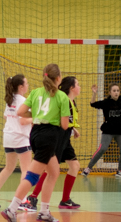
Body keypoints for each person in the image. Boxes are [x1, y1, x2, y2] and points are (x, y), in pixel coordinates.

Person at [0, 64, 72, 222]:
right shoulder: (62, 96)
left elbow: (20, 112)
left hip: (36, 134)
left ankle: (44, 211)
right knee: (32, 176)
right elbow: (64, 125)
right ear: (58, 78)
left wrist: (38, 114)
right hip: (49, 136)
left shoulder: (35, 92)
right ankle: (12, 209)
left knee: (53, 172)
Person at [28, 76, 83, 209]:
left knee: (74, 166)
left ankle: (65, 200)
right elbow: (56, 117)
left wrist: (73, 128)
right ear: (72, 88)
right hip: (58, 137)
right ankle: (32, 197)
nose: (80, 87)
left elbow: (66, 119)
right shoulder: (62, 99)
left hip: (65, 137)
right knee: (50, 169)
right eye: (78, 84)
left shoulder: (71, 101)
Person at [0, 74, 33, 209]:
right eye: (26, 83)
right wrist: (36, 119)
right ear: (21, 87)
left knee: (9, 168)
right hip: (20, 138)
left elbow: (6, 116)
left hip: (8, 137)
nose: (28, 85)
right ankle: (23, 200)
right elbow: (23, 121)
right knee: (26, 170)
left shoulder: (10, 99)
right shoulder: (24, 101)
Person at [83, 81, 121, 177]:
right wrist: (94, 94)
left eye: (118, 90)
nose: (116, 92)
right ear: (110, 92)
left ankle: (120, 170)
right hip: (108, 131)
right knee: (102, 148)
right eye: (114, 91)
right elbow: (93, 104)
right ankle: (88, 168)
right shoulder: (106, 103)